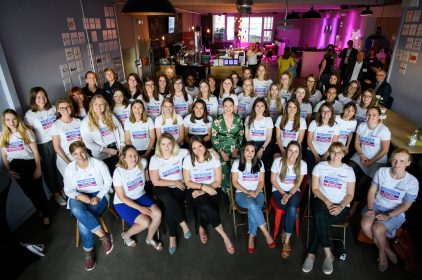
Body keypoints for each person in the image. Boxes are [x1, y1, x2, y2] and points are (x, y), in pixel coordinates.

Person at [360, 148, 419, 272]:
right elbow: (371, 191)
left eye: (402, 161)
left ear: (408, 163)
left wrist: (389, 215)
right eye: (395, 160)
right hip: (376, 205)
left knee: (377, 229)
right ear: (391, 160)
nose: (397, 164)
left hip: (395, 212)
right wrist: (370, 208)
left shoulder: (412, 182)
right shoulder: (382, 172)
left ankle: (381, 255)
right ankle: (386, 250)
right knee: (365, 225)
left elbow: (406, 206)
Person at [302, 142, 355, 275]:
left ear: (343, 154)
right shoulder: (320, 167)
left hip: (341, 205)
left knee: (319, 221)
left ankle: (311, 255)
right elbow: (315, 189)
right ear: (329, 152)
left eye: (339, 152)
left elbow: (350, 194)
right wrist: (327, 202)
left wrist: (341, 206)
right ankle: (328, 254)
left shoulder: (349, 171)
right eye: (333, 152)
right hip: (321, 200)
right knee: (320, 214)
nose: (336, 155)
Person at [63, 141, 113, 271]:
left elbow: (108, 183)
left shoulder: (98, 164)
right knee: (76, 208)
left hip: (99, 195)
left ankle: (88, 251)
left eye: (81, 152)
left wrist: (98, 196)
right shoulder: (69, 168)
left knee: (83, 221)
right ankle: (103, 235)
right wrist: (79, 196)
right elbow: (68, 190)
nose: (80, 156)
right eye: (75, 154)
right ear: (72, 155)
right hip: (78, 196)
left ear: (86, 150)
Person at [183, 136, 235, 254]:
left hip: (213, 188)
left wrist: (204, 191)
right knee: (206, 206)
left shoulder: (213, 158)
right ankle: (224, 236)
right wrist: (202, 187)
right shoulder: (188, 160)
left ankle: (202, 226)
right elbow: (187, 182)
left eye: (200, 146)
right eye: (194, 148)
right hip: (194, 189)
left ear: (204, 145)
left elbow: (218, 181)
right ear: (191, 150)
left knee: (207, 206)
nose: (198, 150)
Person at [1, 109, 50, 225]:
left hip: (30, 164)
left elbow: (36, 152)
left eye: (13, 119)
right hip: (15, 167)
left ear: (17, 119)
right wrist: (9, 170)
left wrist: (38, 168)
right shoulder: (2, 136)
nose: (11, 122)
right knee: (29, 193)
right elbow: (4, 155)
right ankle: (41, 210)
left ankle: (46, 214)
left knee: (38, 191)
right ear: (4, 121)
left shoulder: (26, 132)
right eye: (8, 119)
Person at [149, 133, 192, 255]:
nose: (166, 147)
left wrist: (211, 150)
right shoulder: (155, 159)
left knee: (170, 205)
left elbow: (195, 151)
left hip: (178, 186)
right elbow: (155, 181)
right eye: (163, 144)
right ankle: (183, 224)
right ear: (159, 146)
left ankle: (172, 237)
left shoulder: (180, 153)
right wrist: (175, 181)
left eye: (169, 144)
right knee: (168, 198)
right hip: (161, 186)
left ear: (173, 144)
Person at [113, 145, 162, 250]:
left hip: (140, 195)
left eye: (135, 155)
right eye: (130, 156)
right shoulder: (118, 172)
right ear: (123, 158)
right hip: (123, 202)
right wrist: (140, 208)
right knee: (145, 222)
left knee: (158, 214)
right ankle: (126, 235)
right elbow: (121, 197)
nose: (134, 158)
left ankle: (149, 239)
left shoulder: (143, 163)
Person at [231, 142, 275, 254]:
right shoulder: (237, 163)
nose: (249, 153)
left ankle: (251, 236)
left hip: (257, 193)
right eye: (247, 150)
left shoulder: (259, 163)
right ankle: (266, 233)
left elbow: (261, 181)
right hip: (241, 193)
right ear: (243, 151)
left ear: (255, 153)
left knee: (253, 207)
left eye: (252, 151)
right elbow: (235, 182)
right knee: (252, 205)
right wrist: (248, 192)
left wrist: (255, 192)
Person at [348, 106, 391, 216]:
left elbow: (385, 149)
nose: (370, 117)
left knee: (362, 182)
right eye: (368, 114)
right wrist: (362, 156)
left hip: (377, 160)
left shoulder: (384, 130)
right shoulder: (362, 126)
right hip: (362, 155)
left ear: (379, 117)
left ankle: (354, 206)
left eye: (374, 115)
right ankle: (343, 195)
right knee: (348, 168)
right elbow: (357, 143)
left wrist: (371, 162)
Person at [24, 87, 64, 205]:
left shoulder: (52, 108)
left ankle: (63, 189)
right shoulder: (29, 115)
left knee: (60, 166)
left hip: (57, 140)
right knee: (49, 169)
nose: (42, 99)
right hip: (44, 144)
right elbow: (30, 134)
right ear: (33, 99)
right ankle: (56, 193)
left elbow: (58, 122)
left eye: (44, 96)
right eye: (38, 97)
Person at [271, 141, 307, 259]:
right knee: (292, 210)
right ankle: (288, 232)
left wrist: (289, 195)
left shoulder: (302, 164)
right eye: (290, 150)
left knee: (291, 208)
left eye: (296, 151)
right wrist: (283, 193)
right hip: (278, 191)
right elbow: (273, 180)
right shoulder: (278, 162)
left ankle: (286, 240)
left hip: (293, 192)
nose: (293, 154)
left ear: (299, 153)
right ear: (286, 151)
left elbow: (297, 183)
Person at [80, 94, 125, 176]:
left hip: (117, 150)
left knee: (120, 175)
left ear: (105, 105)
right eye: (96, 104)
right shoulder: (85, 122)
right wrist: (106, 150)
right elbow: (87, 143)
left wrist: (122, 145)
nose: (99, 106)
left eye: (101, 104)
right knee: (108, 176)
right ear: (92, 105)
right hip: (101, 154)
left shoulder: (110, 115)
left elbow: (120, 130)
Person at [211, 97, 244, 192]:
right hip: (221, 150)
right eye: (226, 106)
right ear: (222, 107)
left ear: (233, 106)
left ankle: (235, 193)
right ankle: (226, 195)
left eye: (230, 106)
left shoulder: (238, 119)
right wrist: (221, 153)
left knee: (235, 171)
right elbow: (214, 138)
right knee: (224, 173)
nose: (228, 108)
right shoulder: (217, 120)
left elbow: (240, 135)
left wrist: (237, 149)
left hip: (235, 151)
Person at [305, 103, 340, 174]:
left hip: (328, 152)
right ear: (320, 112)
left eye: (328, 111)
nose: (326, 113)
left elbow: (334, 144)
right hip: (312, 151)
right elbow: (309, 141)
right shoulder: (314, 123)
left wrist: (326, 155)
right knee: (312, 170)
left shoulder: (336, 126)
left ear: (332, 113)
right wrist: (316, 155)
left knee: (325, 172)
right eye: (323, 111)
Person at [52, 98, 82, 177]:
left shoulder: (78, 122)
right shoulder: (56, 125)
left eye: (67, 107)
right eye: (62, 108)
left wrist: (82, 154)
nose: (65, 109)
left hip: (80, 154)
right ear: (58, 109)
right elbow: (57, 146)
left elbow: (83, 140)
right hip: (65, 157)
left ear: (71, 108)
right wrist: (68, 162)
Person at [244, 98, 273, 165]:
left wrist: (262, 149)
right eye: (257, 106)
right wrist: (251, 148)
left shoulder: (268, 119)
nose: (259, 108)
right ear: (254, 107)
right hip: (251, 143)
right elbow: (247, 134)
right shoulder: (248, 118)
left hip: (264, 145)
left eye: (262, 106)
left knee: (262, 164)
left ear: (265, 108)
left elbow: (269, 137)